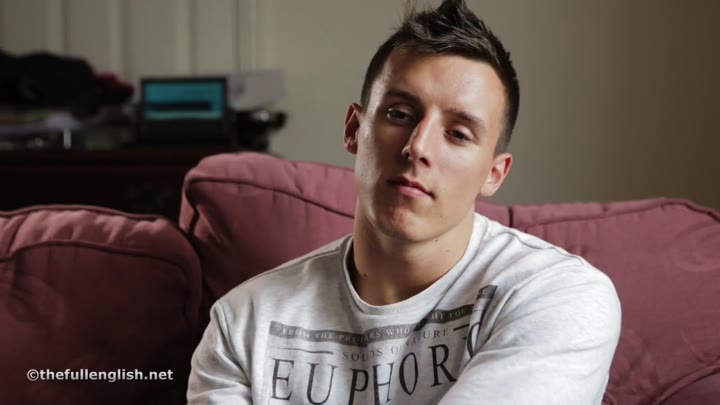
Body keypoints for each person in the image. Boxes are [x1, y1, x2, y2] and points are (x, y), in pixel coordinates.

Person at [187, 0, 621, 403]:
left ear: (494, 173)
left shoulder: (558, 296)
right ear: (354, 129)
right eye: (399, 114)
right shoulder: (244, 323)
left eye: (458, 133)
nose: (418, 147)